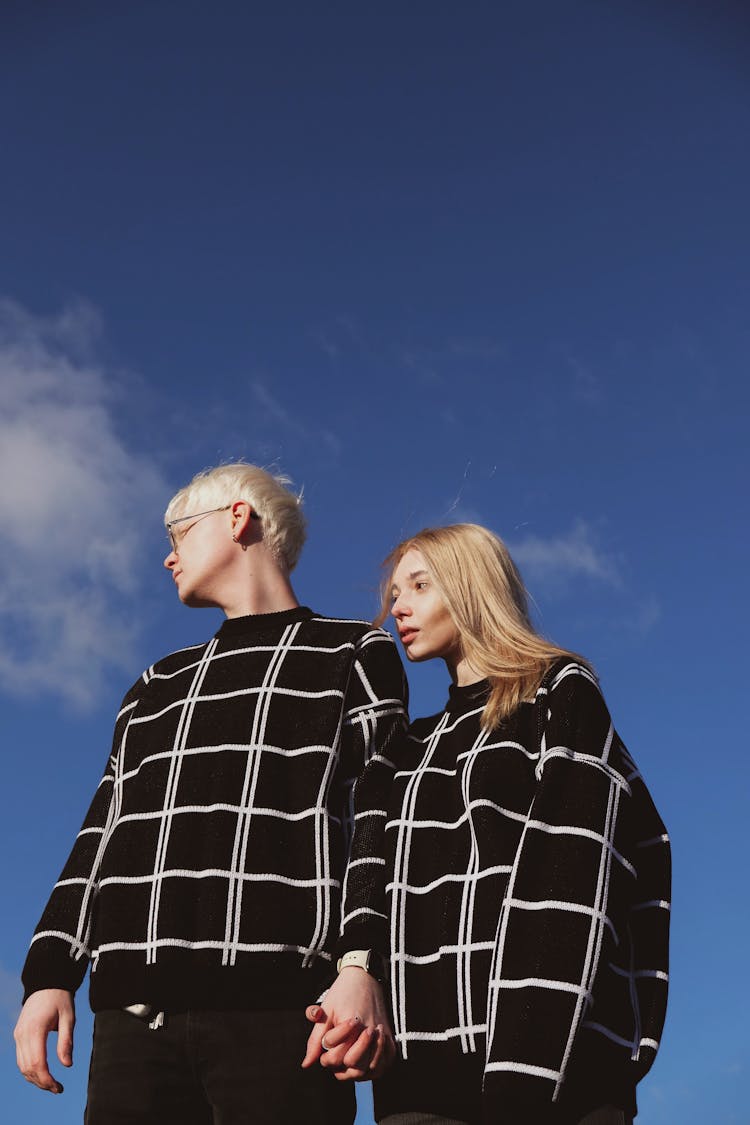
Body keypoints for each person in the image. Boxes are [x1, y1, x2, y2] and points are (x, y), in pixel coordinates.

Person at [14, 462, 407, 1125]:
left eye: (178, 531)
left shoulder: (351, 653)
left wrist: (361, 961)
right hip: (132, 1024)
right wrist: (50, 969)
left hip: (285, 1014)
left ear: (238, 517)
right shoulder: (154, 683)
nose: (168, 555)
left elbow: (377, 817)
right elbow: (102, 830)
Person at [365, 523, 670, 1125]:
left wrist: (525, 1073)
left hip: (560, 1071)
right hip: (421, 1084)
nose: (397, 606)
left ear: (471, 586)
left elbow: (577, 872)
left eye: (420, 585)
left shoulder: (559, 693)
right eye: (394, 592)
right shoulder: (407, 746)